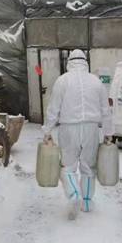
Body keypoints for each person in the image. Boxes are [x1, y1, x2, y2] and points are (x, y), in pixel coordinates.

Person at [43, 49, 114, 220]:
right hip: (91, 128)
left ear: (69, 62)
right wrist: (108, 132)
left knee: (68, 166)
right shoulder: (96, 81)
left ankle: (74, 195)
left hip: (68, 128)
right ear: (85, 62)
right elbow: (106, 110)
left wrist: (47, 130)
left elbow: (54, 109)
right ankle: (87, 202)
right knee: (88, 167)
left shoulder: (62, 80)